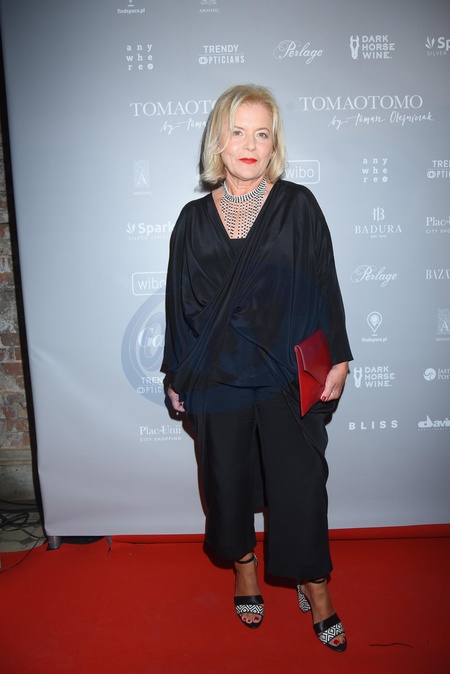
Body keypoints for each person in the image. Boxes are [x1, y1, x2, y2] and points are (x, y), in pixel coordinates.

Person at [161, 84, 352, 652]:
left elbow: (324, 283)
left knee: (301, 486)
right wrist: (177, 373)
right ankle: (244, 569)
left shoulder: (298, 206)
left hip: (286, 374)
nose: (249, 144)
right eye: (237, 132)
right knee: (227, 481)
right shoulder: (192, 220)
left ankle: (315, 584)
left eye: (261, 133)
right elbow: (179, 302)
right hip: (217, 377)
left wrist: (338, 356)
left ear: (274, 145)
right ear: (218, 143)